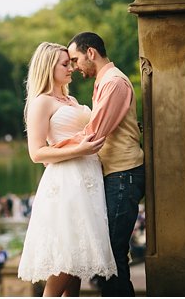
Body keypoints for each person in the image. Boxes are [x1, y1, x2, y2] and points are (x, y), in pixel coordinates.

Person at [17, 42, 117, 296]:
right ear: (48, 67)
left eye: (71, 62)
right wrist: (79, 151)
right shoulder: (42, 102)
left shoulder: (70, 99)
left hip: (88, 181)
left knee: (78, 265)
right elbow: (37, 153)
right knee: (67, 259)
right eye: (65, 64)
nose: (71, 67)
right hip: (66, 183)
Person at [55, 31, 145, 296]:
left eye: (75, 59)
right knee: (106, 255)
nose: (73, 66)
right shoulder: (104, 82)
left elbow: (94, 134)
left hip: (123, 175)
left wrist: (54, 151)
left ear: (91, 52)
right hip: (115, 176)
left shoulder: (114, 83)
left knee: (111, 255)